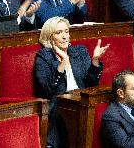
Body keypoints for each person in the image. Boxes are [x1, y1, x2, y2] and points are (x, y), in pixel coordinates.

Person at [34, 16, 109, 148]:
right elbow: (47, 91)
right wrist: (62, 63)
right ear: (50, 37)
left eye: (66, 31)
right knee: (63, 106)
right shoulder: (43, 57)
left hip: (82, 99)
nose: (64, 36)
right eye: (59, 33)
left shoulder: (79, 51)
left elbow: (91, 85)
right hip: (58, 103)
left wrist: (95, 61)